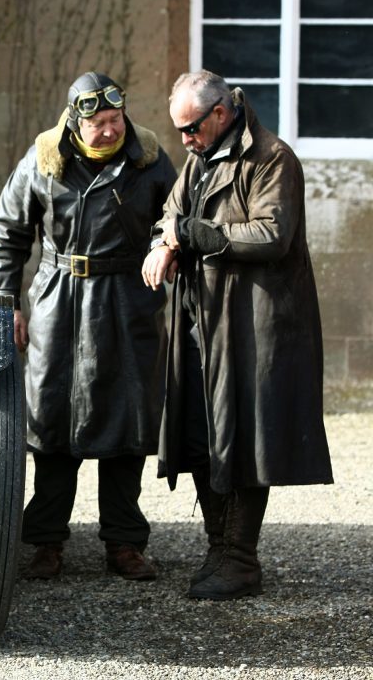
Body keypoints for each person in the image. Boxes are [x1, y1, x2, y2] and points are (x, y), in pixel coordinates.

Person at [141, 70, 333, 600]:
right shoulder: (201, 156)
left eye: (191, 128)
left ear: (220, 114)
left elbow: (271, 234)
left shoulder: (272, 158)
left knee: (246, 437)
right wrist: (166, 242)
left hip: (255, 323)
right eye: (180, 130)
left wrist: (188, 235)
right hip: (205, 318)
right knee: (202, 434)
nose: (184, 140)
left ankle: (240, 559)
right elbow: (172, 213)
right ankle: (218, 549)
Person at [0, 72, 176, 581]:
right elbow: (9, 233)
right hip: (59, 300)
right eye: (98, 123)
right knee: (52, 422)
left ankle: (125, 543)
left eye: (116, 120)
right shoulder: (43, 160)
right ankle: (47, 543)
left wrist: (165, 241)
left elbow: (176, 215)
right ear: (75, 121)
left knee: (128, 421)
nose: (110, 131)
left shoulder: (150, 160)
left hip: (129, 299)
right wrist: (7, 303)